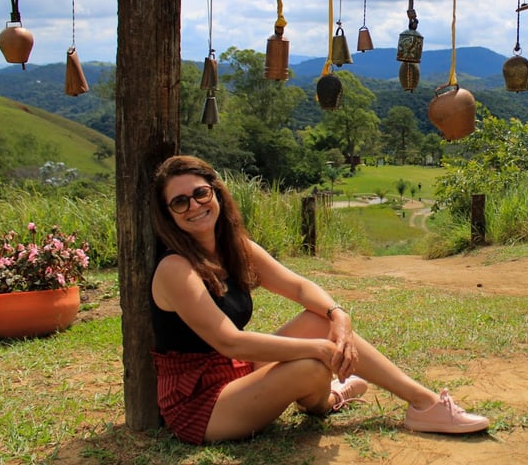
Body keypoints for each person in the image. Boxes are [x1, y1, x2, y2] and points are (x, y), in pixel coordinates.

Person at [149, 155, 489, 445]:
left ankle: (424, 404)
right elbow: (231, 342)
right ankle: (330, 397)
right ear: (169, 214)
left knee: (320, 320)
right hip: (201, 402)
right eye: (180, 202)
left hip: (237, 374)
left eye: (200, 193)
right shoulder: (175, 268)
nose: (194, 205)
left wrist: (339, 316)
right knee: (311, 366)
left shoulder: (234, 248)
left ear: (217, 194)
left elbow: (298, 288)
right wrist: (319, 349)